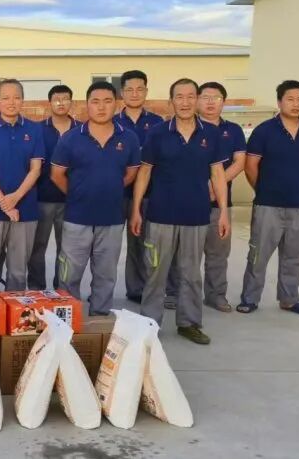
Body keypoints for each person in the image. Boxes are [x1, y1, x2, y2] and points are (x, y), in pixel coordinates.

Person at [131, 79, 230, 345]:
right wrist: (136, 209)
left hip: (196, 216)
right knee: (156, 272)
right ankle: (150, 324)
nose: (185, 102)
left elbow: (218, 174)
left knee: (190, 274)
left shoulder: (211, 134)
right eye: (179, 97)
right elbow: (144, 172)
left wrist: (223, 211)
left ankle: (189, 323)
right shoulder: (157, 133)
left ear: (196, 99)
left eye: (190, 96)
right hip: (160, 215)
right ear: (171, 101)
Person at [50, 82, 141, 314]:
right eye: (95, 102)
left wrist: (109, 188)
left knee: (105, 273)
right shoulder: (71, 138)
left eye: (107, 101)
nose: (101, 107)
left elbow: (131, 173)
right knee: (69, 272)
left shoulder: (128, 138)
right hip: (76, 218)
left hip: (112, 218)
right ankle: (67, 317)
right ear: (87, 105)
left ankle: (100, 315)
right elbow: (57, 174)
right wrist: (78, 193)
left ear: (116, 104)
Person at [238, 80, 299, 317]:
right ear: (279, 102)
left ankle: (289, 299)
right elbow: (250, 166)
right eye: (290, 99)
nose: (296, 104)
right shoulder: (264, 130)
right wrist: (264, 190)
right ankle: (250, 299)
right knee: (258, 256)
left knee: (295, 257)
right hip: (268, 205)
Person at [0, 79, 45, 292]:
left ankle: (16, 311)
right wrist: (5, 203)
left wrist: (15, 198)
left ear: (23, 100)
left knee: (18, 271)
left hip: (25, 210)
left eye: (16, 97)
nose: (11, 102)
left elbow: (36, 169)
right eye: (5, 98)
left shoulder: (34, 129)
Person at [114, 70, 165, 303]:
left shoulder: (157, 123)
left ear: (146, 91)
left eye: (139, 89)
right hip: (117, 193)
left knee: (142, 243)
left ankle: (139, 289)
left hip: (148, 194)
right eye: (129, 89)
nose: (134, 94)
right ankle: (102, 291)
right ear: (122, 93)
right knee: (108, 245)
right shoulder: (112, 121)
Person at [197, 82, 246, 312]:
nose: (210, 102)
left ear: (223, 102)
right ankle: (178, 294)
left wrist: (215, 185)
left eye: (215, 98)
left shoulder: (233, 130)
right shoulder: (188, 127)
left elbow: (240, 162)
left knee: (218, 253)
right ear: (197, 100)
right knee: (185, 254)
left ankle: (216, 295)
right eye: (205, 97)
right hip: (189, 202)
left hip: (220, 204)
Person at [31, 84, 77, 290]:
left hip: (71, 200)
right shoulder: (38, 130)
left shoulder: (82, 130)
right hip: (42, 198)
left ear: (71, 102)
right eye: (56, 99)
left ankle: (62, 289)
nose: (61, 103)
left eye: (65, 99)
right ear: (49, 103)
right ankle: (37, 288)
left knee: (66, 248)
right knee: (37, 247)